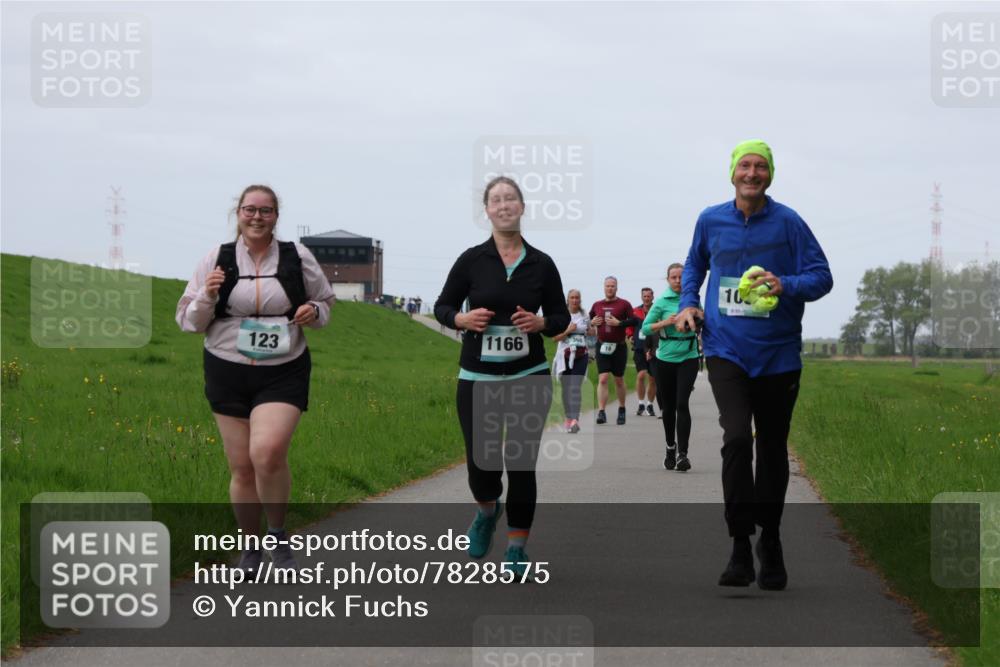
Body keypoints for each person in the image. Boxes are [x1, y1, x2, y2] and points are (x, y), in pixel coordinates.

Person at [675, 140, 833, 590]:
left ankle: (772, 538)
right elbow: (694, 265)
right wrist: (688, 302)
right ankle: (741, 543)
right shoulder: (710, 219)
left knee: (773, 448)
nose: (752, 173)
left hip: (779, 353)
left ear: (770, 174)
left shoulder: (789, 222)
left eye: (760, 166)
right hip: (726, 349)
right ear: (732, 173)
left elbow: (822, 276)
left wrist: (786, 283)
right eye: (744, 165)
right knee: (739, 439)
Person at [176, 184, 334, 573]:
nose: (257, 217)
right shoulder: (217, 257)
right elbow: (188, 322)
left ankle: (277, 538)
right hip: (226, 366)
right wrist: (208, 296)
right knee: (242, 467)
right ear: (239, 214)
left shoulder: (298, 257)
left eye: (266, 211)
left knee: (267, 452)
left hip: (283, 369)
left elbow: (325, 303)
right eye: (250, 210)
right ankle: (250, 548)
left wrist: (313, 311)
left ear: (277, 216)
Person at [434, 176, 570, 579]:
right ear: (487, 210)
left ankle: (516, 548)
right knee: (483, 462)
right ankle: (486, 512)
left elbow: (560, 317)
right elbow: (443, 305)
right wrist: (460, 318)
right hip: (477, 376)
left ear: (522, 207)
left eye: (511, 198)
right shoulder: (471, 260)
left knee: (522, 463)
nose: (505, 205)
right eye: (497, 200)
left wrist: (542, 321)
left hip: (529, 374)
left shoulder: (541, 263)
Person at [641, 264, 700, 472]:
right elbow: (645, 327)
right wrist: (665, 322)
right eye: (673, 277)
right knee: (668, 407)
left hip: (689, 356)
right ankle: (670, 447)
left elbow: (702, 319)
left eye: (681, 277)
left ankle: (683, 454)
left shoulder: (692, 299)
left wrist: (698, 319)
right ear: (667, 280)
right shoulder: (661, 302)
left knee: (682, 403)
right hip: (665, 358)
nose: (677, 280)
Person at [589, 277, 638, 425]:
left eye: (612, 286)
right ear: (604, 287)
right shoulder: (597, 305)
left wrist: (620, 323)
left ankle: (622, 409)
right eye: (607, 286)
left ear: (617, 288)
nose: (610, 288)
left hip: (619, 347)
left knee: (618, 379)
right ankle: (601, 412)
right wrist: (592, 323)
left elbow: (635, 321)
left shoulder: (624, 304)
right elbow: (589, 319)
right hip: (602, 345)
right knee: (603, 378)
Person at [552, 289, 594, 434]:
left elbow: (591, 333)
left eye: (577, 298)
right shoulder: (561, 316)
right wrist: (568, 331)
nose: (575, 300)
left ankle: (575, 419)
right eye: (572, 298)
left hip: (581, 355)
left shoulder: (584, 315)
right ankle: (568, 417)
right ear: (568, 299)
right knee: (566, 389)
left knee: (575, 387)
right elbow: (555, 338)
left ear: (580, 300)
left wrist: (592, 329)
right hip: (563, 356)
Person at [629, 288, 658, 417]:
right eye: (644, 296)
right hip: (640, 347)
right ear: (641, 297)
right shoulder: (635, 311)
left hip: (653, 348)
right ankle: (641, 403)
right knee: (641, 375)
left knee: (652, 378)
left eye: (648, 296)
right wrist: (630, 336)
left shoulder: (657, 310)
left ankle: (650, 405)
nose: (646, 298)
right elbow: (629, 326)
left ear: (652, 297)